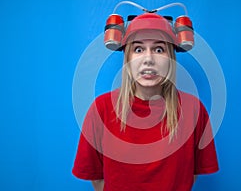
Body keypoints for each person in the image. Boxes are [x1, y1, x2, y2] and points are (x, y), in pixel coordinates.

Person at [72, 12, 219, 191]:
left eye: (159, 49)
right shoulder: (101, 109)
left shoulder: (194, 110)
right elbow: (97, 179)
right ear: (127, 58)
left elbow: (190, 176)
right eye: (138, 49)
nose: (148, 59)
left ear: (171, 58)